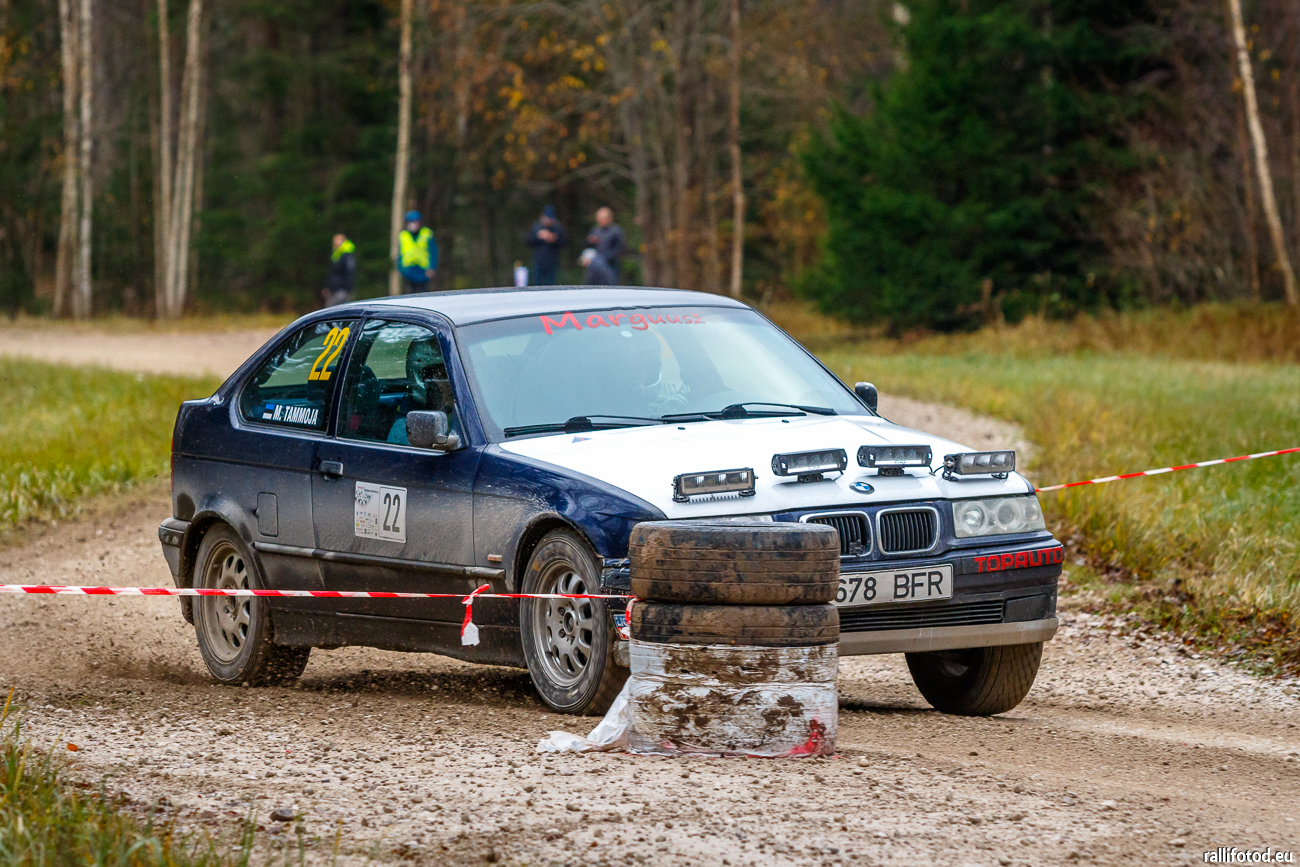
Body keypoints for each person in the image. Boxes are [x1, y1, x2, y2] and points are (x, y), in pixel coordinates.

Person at [524, 205, 568, 286]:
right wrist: (538, 236)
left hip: (553, 262)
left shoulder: (558, 228)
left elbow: (564, 243)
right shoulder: (535, 227)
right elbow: (528, 242)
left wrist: (554, 239)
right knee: (537, 284)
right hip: (538, 261)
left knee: (551, 284)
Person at [396, 211, 438, 293]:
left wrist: (432, 267)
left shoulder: (426, 233)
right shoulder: (403, 235)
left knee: (424, 292)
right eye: (410, 222)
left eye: (415, 222)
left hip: (423, 269)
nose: (413, 225)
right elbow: (400, 254)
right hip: (408, 270)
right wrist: (401, 269)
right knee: (409, 293)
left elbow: (433, 252)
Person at [585, 206, 625, 284]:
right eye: (598, 218)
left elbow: (620, 249)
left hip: (611, 266)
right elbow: (588, 247)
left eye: (602, 218)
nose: (600, 220)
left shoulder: (616, 231)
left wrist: (604, 258)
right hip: (595, 267)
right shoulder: (595, 230)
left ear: (609, 218)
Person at [322, 234, 357, 307]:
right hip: (334, 290)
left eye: (336, 240)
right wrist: (329, 287)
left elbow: (350, 273)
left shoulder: (347, 254)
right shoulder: (337, 253)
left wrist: (346, 289)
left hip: (342, 290)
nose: (334, 243)